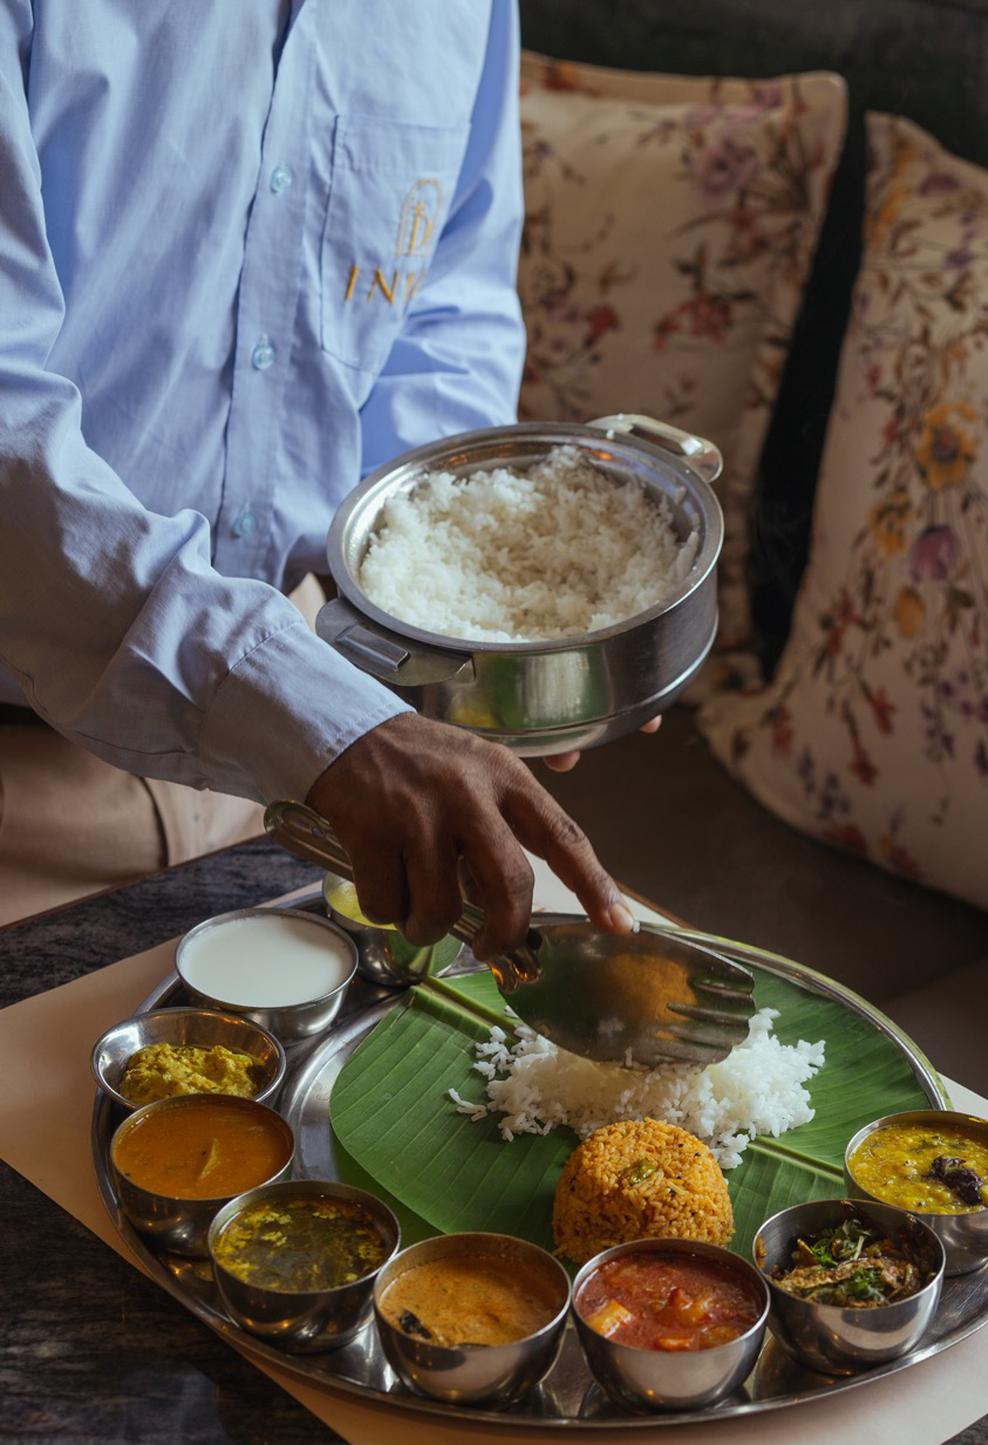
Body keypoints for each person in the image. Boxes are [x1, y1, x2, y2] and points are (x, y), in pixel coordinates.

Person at [0, 1, 643, 947]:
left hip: (310, 757)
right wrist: (318, 720)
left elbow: (445, 308)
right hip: (43, 786)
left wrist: (481, 637)